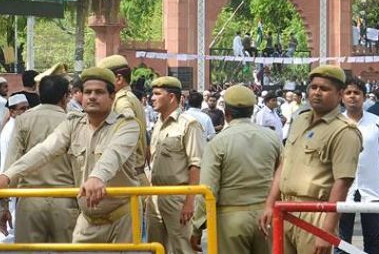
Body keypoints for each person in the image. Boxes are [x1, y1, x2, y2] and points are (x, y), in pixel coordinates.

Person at [0, 67, 140, 243]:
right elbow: (45, 150)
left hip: (121, 220)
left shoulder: (126, 125)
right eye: (88, 92)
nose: (92, 96)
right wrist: (6, 177)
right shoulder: (73, 124)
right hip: (87, 221)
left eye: (99, 92)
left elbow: (113, 154)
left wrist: (97, 177)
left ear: (112, 97)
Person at [260, 65, 362, 254]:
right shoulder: (300, 120)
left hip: (315, 212)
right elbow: (284, 164)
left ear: (339, 94)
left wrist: (327, 230)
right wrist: (270, 204)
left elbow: (343, 182)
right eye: (314, 87)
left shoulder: (345, 131)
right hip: (284, 208)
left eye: (324, 89)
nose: (317, 92)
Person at [190, 85, 281, 254]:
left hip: (230, 221)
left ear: (226, 114)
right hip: (266, 217)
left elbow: (208, 189)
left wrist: (197, 227)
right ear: (252, 111)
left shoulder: (218, 143)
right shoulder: (272, 139)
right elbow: (282, 176)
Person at [0, 77, 78, 243]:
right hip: (65, 201)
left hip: (29, 201)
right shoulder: (74, 122)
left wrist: (3, 207)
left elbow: (11, 164)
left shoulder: (24, 120)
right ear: (65, 97)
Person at [147, 76, 206, 253]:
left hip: (178, 197)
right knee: (156, 247)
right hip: (155, 195)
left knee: (182, 247)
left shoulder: (189, 125)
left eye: (157, 94)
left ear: (171, 97)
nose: (152, 97)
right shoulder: (157, 124)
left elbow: (195, 165)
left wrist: (190, 202)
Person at [337, 77, 379, 254]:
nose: (352, 97)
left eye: (357, 93)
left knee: (373, 240)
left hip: (372, 191)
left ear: (364, 97)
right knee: (341, 242)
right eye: (348, 93)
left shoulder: (378, 123)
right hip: (342, 191)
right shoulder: (335, 124)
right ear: (341, 97)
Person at [96, 55, 149, 190]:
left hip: (128, 181)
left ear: (119, 79)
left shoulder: (122, 102)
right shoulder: (130, 98)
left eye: (103, 80)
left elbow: (125, 138)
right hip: (134, 176)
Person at [0, 93, 29, 243]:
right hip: (11, 180)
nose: (25, 111)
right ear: (12, 112)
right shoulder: (13, 129)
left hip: (11, 178)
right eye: (22, 109)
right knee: (9, 228)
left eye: (27, 108)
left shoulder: (18, 126)